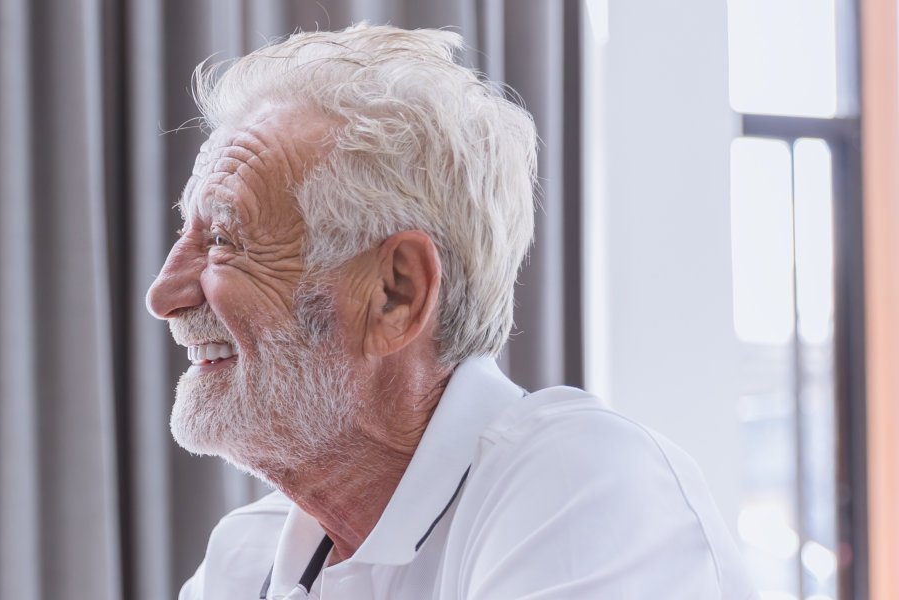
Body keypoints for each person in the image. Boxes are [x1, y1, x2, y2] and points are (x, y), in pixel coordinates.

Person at [148, 26, 754, 599]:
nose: (164, 293)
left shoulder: (580, 486)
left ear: (396, 294)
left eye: (225, 239)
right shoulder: (244, 554)